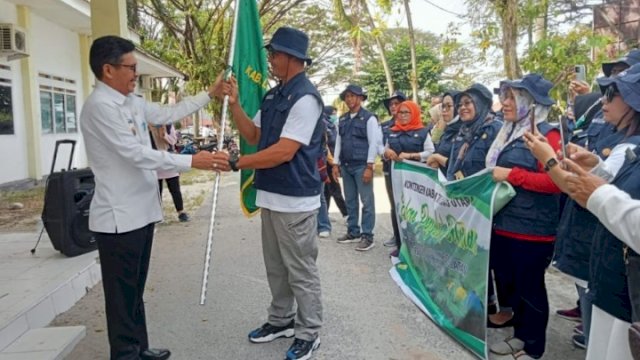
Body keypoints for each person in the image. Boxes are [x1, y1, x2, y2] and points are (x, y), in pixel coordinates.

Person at [80, 35, 230, 360]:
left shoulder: (130, 101)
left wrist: (209, 94)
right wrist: (193, 160)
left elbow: (167, 112)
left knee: (134, 291)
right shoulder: (100, 108)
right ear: (108, 69)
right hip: (118, 219)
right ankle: (125, 354)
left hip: (140, 213)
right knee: (121, 296)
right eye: (130, 67)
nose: (136, 73)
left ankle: (139, 348)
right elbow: (136, 155)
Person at [214, 26, 323, 360]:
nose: (271, 59)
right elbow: (253, 134)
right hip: (272, 197)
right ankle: (281, 320)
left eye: (274, 54)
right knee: (276, 267)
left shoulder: (306, 98)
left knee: (301, 271)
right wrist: (233, 104)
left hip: (295, 199)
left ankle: (309, 331)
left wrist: (237, 163)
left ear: (290, 57)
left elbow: (284, 151)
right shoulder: (275, 95)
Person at [524, 64, 640, 360]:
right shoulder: (632, 148)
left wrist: (550, 162)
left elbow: (599, 195)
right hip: (613, 280)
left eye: (613, 92)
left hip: (628, 296)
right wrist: (596, 168)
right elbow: (622, 189)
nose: (604, 100)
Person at [486, 74, 562, 360]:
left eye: (511, 97)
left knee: (530, 289)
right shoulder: (507, 131)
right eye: (504, 96)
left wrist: (512, 175)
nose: (504, 103)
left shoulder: (548, 135)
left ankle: (533, 347)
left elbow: (555, 182)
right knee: (510, 286)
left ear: (530, 103)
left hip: (533, 231)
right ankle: (518, 335)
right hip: (504, 224)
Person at [382, 100, 435, 257]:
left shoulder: (423, 131)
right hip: (396, 177)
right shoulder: (392, 131)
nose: (403, 115)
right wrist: (387, 153)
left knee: (416, 210)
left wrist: (412, 156)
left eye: (407, 112)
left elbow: (430, 152)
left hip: (416, 179)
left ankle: (419, 248)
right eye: (400, 112)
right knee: (397, 209)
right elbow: (384, 150)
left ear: (414, 114)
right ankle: (401, 245)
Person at [332, 84, 378, 251]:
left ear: (360, 98)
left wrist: (370, 166)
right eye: (347, 96)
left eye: (353, 96)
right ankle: (353, 232)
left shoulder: (369, 118)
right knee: (350, 200)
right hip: (346, 165)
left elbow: (373, 143)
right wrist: (335, 163)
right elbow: (338, 142)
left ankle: (368, 235)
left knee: (367, 201)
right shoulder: (342, 119)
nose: (350, 99)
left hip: (361, 166)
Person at [426, 84, 501, 180]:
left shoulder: (495, 130)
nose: (462, 108)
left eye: (467, 103)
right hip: (459, 190)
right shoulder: (463, 132)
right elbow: (453, 166)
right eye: (459, 105)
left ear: (480, 103)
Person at [378, 90, 407, 248]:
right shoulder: (384, 127)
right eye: (391, 105)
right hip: (390, 170)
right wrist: (384, 151)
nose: (394, 107)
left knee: (409, 205)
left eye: (397, 103)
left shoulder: (412, 125)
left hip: (409, 173)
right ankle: (396, 237)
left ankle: (408, 238)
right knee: (394, 204)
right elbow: (378, 145)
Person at [149, 123, 190, 222]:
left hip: (168, 159)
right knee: (157, 191)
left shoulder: (168, 125)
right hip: (154, 160)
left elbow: (173, 141)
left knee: (175, 188)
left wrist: (164, 135)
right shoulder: (146, 126)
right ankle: (157, 215)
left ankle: (181, 212)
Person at [321, 106, 348, 221]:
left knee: (328, 190)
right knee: (335, 189)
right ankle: (346, 214)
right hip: (328, 163)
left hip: (334, 162)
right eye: (333, 113)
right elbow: (325, 145)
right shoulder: (324, 126)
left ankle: (325, 215)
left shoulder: (333, 127)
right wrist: (333, 162)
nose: (335, 116)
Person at [430, 90, 461, 173]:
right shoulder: (447, 129)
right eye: (443, 106)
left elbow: (462, 166)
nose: (444, 110)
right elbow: (434, 145)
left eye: (449, 106)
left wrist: (437, 158)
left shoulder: (465, 132)